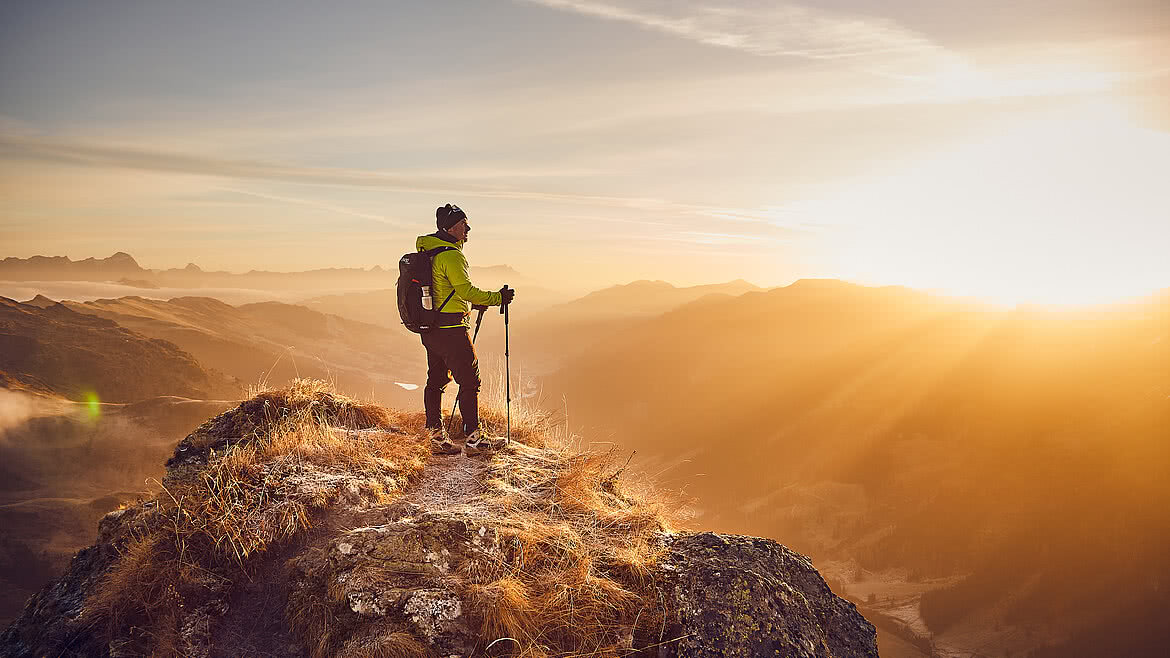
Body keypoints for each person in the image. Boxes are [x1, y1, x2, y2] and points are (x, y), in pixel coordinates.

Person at [417, 203, 516, 456]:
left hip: (431, 328)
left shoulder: (431, 253)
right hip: (452, 328)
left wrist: (473, 301)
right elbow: (464, 290)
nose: (467, 228)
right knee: (470, 381)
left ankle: (435, 435)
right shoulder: (451, 255)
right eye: (463, 224)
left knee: (436, 380)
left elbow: (446, 291)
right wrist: (497, 298)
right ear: (450, 227)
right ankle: (474, 438)